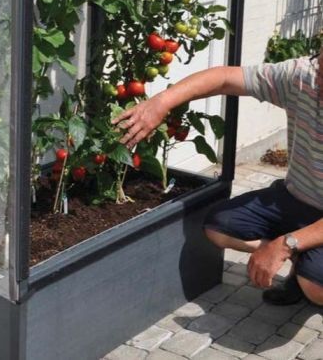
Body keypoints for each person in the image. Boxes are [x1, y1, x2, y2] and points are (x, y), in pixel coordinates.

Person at [112, 46, 323, 306]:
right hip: (295, 197)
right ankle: (301, 258)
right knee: (218, 226)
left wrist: (287, 243)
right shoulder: (301, 77)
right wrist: (162, 102)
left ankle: (305, 270)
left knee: (314, 285)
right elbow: (224, 78)